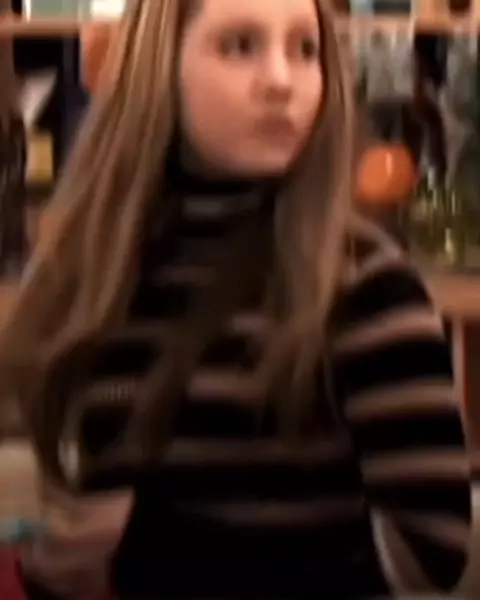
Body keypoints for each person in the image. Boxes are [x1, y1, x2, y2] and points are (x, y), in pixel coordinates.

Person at [0, 0, 473, 598]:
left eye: (305, 49)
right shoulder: (103, 277)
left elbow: (431, 552)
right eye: (240, 46)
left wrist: (156, 555)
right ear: (160, 69)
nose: (281, 80)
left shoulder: (362, 285)